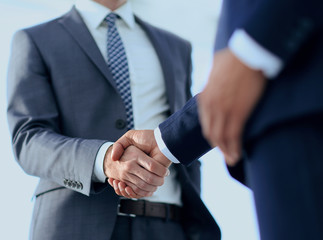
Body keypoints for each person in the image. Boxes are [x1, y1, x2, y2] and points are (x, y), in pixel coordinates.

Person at [6, 0, 220, 239]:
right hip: (76, 224)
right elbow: (29, 139)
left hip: (169, 224)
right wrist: (105, 158)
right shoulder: (36, 39)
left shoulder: (177, 47)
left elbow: (186, 136)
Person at [109, 0, 323, 240]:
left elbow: (237, 76)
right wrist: (164, 142)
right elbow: (228, 91)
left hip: (297, 116)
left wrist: (252, 51)